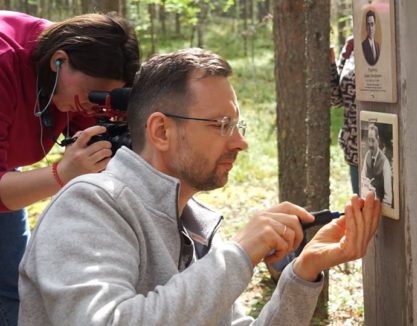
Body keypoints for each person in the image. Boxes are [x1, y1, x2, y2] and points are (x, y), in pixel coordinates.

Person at [18, 48, 381, 325]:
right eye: (221, 124)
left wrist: (302, 274)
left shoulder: (195, 224)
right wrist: (240, 253)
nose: (240, 143)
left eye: (238, 125)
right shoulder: (88, 206)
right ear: (161, 131)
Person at [0, 10, 140, 325]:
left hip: (7, 171)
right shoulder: (5, 61)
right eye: (89, 97)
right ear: (57, 60)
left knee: (15, 286)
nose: (90, 107)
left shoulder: (71, 71)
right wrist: (61, 175)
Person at [331, 35, 359, 194]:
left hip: (386, 145)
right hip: (354, 148)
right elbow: (335, 100)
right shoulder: (351, 45)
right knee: (363, 211)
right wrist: (330, 61)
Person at [361, 123, 392, 207]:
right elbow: (362, 177)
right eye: (369, 140)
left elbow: (388, 199)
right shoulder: (367, 155)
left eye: (373, 140)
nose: (370, 144)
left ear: (378, 139)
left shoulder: (385, 163)